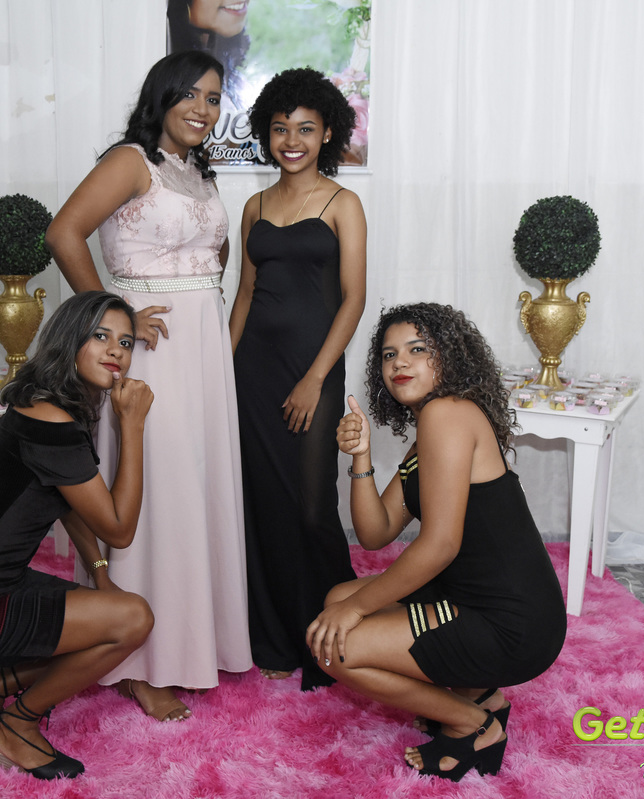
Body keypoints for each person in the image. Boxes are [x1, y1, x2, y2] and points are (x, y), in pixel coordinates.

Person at [45, 51, 253, 722]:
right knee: (155, 489)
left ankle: (198, 639)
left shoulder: (197, 172)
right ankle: (136, 659)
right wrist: (117, 319)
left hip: (201, 353)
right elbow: (63, 232)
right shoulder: (130, 160)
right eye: (189, 93)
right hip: (151, 355)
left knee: (196, 487)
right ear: (161, 97)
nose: (202, 108)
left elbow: (211, 260)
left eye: (214, 98)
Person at [308, 303, 567, 781]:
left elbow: (440, 545)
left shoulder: (447, 415)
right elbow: (376, 532)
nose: (400, 363)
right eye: (389, 354)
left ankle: (474, 723)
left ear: (449, 357)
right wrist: (361, 456)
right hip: (477, 600)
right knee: (336, 600)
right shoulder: (429, 430)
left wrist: (358, 609)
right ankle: (482, 695)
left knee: (335, 646)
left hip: (510, 622)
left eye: (417, 349)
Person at [0, 291, 156, 780]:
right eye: (100, 336)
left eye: (126, 342)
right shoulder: (53, 423)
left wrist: (99, 574)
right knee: (133, 620)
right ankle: (17, 724)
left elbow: (69, 503)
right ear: (70, 340)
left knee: (106, 615)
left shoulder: (46, 404)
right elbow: (119, 529)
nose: (116, 350)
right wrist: (131, 426)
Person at [228, 67, 366, 690]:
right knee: (262, 503)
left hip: (315, 370)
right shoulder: (254, 207)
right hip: (252, 373)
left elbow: (353, 299)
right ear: (266, 132)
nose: (292, 141)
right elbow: (244, 295)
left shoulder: (343, 204)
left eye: (306, 129)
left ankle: (333, 631)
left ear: (327, 133)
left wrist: (315, 379)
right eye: (281, 128)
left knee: (312, 509)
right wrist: (222, 373)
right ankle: (273, 636)